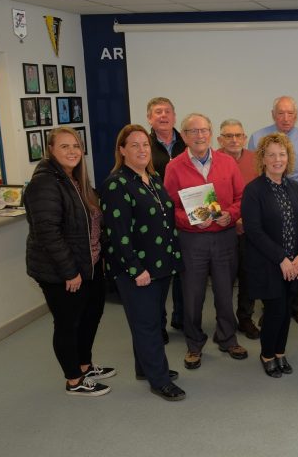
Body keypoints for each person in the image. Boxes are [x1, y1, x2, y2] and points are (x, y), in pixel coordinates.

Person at [24, 127, 114, 397]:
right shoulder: (45, 183)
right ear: (50, 150)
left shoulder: (75, 179)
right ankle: (73, 380)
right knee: (68, 323)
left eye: (76, 146)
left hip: (90, 264)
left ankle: (84, 365)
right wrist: (70, 272)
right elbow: (48, 232)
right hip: (63, 271)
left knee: (91, 315)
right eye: (64, 146)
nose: (72, 151)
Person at [101, 125, 185, 401]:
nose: (141, 150)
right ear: (122, 150)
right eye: (134, 145)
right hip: (137, 270)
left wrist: (173, 258)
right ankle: (159, 380)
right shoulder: (117, 184)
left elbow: (165, 220)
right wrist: (136, 269)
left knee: (148, 320)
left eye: (145, 145)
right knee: (147, 325)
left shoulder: (153, 177)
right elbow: (118, 233)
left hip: (161, 265)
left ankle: (144, 368)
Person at [164, 113, 247, 370]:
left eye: (204, 130)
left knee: (224, 292)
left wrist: (230, 215)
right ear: (184, 136)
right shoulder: (174, 167)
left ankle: (227, 338)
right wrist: (189, 221)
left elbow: (241, 197)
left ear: (211, 134)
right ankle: (194, 344)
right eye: (193, 131)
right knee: (193, 296)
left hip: (224, 237)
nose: (199, 136)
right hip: (192, 241)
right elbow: (169, 207)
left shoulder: (227, 162)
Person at [242, 133, 298, 378]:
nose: (277, 159)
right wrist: (282, 258)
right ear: (262, 158)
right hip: (270, 264)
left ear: (288, 157)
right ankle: (267, 355)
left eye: (282, 154)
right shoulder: (253, 190)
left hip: (294, 264)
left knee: (286, 311)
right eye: (271, 154)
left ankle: (280, 352)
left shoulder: (295, 187)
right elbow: (254, 231)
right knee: (274, 312)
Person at [248, 96, 298, 326]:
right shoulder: (257, 137)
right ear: (273, 114)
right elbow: (254, 172)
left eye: (290, 113)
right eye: (281, 113)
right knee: (272, 260)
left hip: (296, 203)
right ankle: (270, 307)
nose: (285, 118)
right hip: (268, 207)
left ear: (296, 115)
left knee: (295, 259)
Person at [146, 97, 188, 337]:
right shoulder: (144, 145)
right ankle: (158, 325)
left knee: (182, 272)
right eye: (157, 112)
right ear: (149, 118)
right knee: (159, 276)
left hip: (185, 217)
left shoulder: (187, 141)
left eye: (167, 111)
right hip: (155, 220)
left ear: (174, 116)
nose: (163, 116)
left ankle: (180, 318)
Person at [216, 119, 260, 339]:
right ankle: (224, 323)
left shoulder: (255, 160)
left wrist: (247, 219)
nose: (234, 140)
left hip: (249, 231)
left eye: (238, 135)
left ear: (245, 138)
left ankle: (245, 318)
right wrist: (232, 218)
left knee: (248, 277)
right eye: (228, 136)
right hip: (221, 231)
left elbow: (261, 194)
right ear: (220, 139)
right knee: (223, 281)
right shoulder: (212, 160)